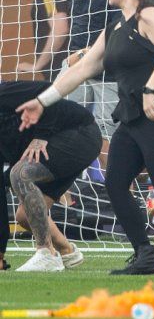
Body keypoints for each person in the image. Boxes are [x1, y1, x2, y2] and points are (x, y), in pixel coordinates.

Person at [18, 0, 154, 274]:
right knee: (116, 184)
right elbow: (81, 68)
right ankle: (146, 256)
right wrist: (43, 101)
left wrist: (150, 89)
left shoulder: (149, 15)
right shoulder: (115, 26)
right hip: (131, 118)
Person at [2, 80, 100, 271]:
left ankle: (46, 253)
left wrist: (41, 136)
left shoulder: (3, 92)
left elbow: (47, 90)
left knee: (21, 174)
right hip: (62, 145)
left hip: (80, 132)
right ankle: (67, 251)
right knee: (24, 215)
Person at [63, 0, 126, 146]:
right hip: (76, 62)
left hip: (108, 67)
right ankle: (75, 181)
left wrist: (83, 55)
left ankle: (119, 182)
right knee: (62, 121)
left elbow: (120, 27)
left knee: (110, 135)